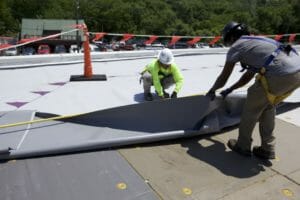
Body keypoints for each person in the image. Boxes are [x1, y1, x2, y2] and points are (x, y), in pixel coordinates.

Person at [206, 21, 300, 159]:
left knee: (251, 108)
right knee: (268, 106)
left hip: (279, 75)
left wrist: (213, 90)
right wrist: (231, 89)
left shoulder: (237, 46)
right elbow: (248, 76)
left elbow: (224, 77)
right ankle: (267, 149)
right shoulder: (257, 41)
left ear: (232, 37)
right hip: (296, 73)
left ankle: (242, 146)